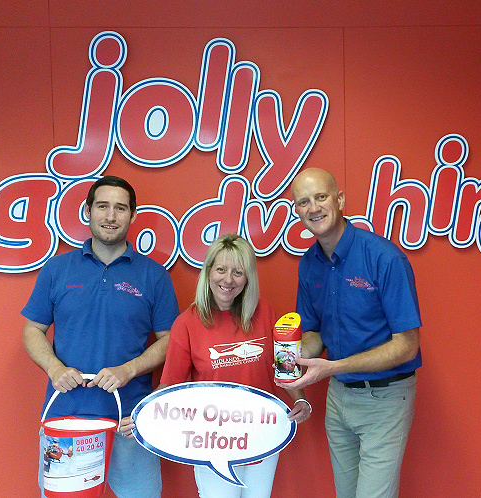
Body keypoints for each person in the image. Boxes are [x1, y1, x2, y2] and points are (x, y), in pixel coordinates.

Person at [22, 175, 179, 498]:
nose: (111, 216)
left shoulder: (154, 275)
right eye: (103, 206)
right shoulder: (56, 269)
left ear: (132, 215)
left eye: (120, 208)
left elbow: (171, 341)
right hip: (67, 418)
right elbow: (32, 330)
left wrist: (128, 370)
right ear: (88, 211)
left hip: (130, 421)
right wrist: (54, 369)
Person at [122, 233, 311, 498]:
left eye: (238, 272)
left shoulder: (265, 313)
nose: (228, 280)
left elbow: (283, 367)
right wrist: (143, 416)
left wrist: (300, 400)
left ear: (248, 278)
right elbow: (170, 385)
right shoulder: (187, 324)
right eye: (221, 269)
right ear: (208, 271)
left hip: (261, 434)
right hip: (212, 441)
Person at [282, 168, 422, 498]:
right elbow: (314, 332)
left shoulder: (384, 258)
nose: (314, 208)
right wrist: (291, 356)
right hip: (339, 397)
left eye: (321, 197)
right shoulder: (309, 264)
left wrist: (334, 366)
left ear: (340, 200)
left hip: (385, 398)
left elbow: (407, 346)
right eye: (304, 202)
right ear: (297, 211)